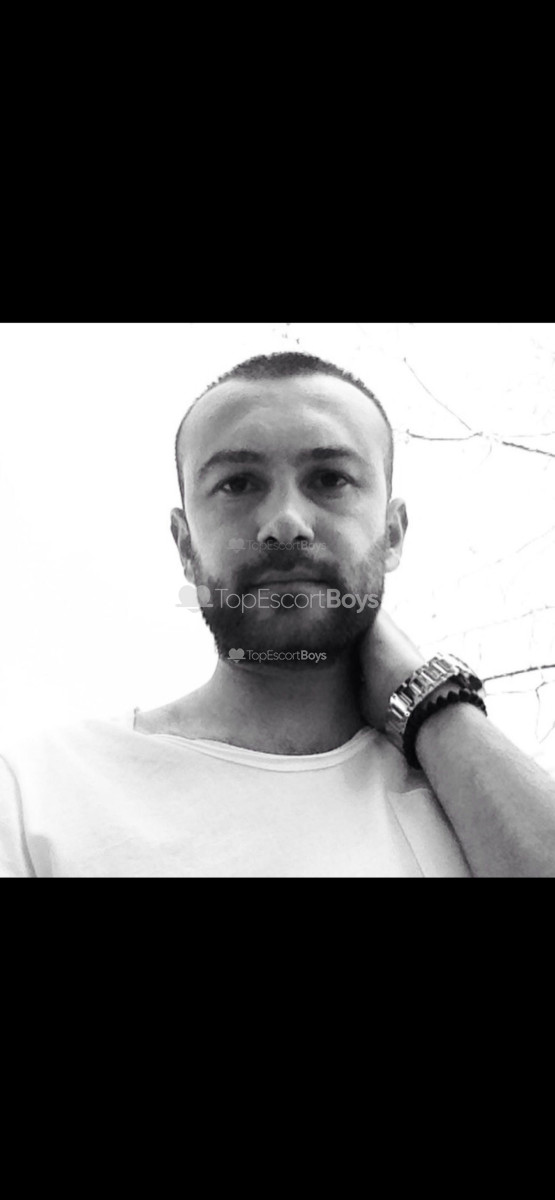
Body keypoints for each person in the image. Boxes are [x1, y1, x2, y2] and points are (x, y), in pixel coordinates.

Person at [2, 352, 555, 878]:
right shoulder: (39, 793)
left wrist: (429, 699)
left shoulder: (477, 801)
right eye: (238, 484)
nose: (286, 523)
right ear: (186, 546)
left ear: (392, 534)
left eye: (330, 479)